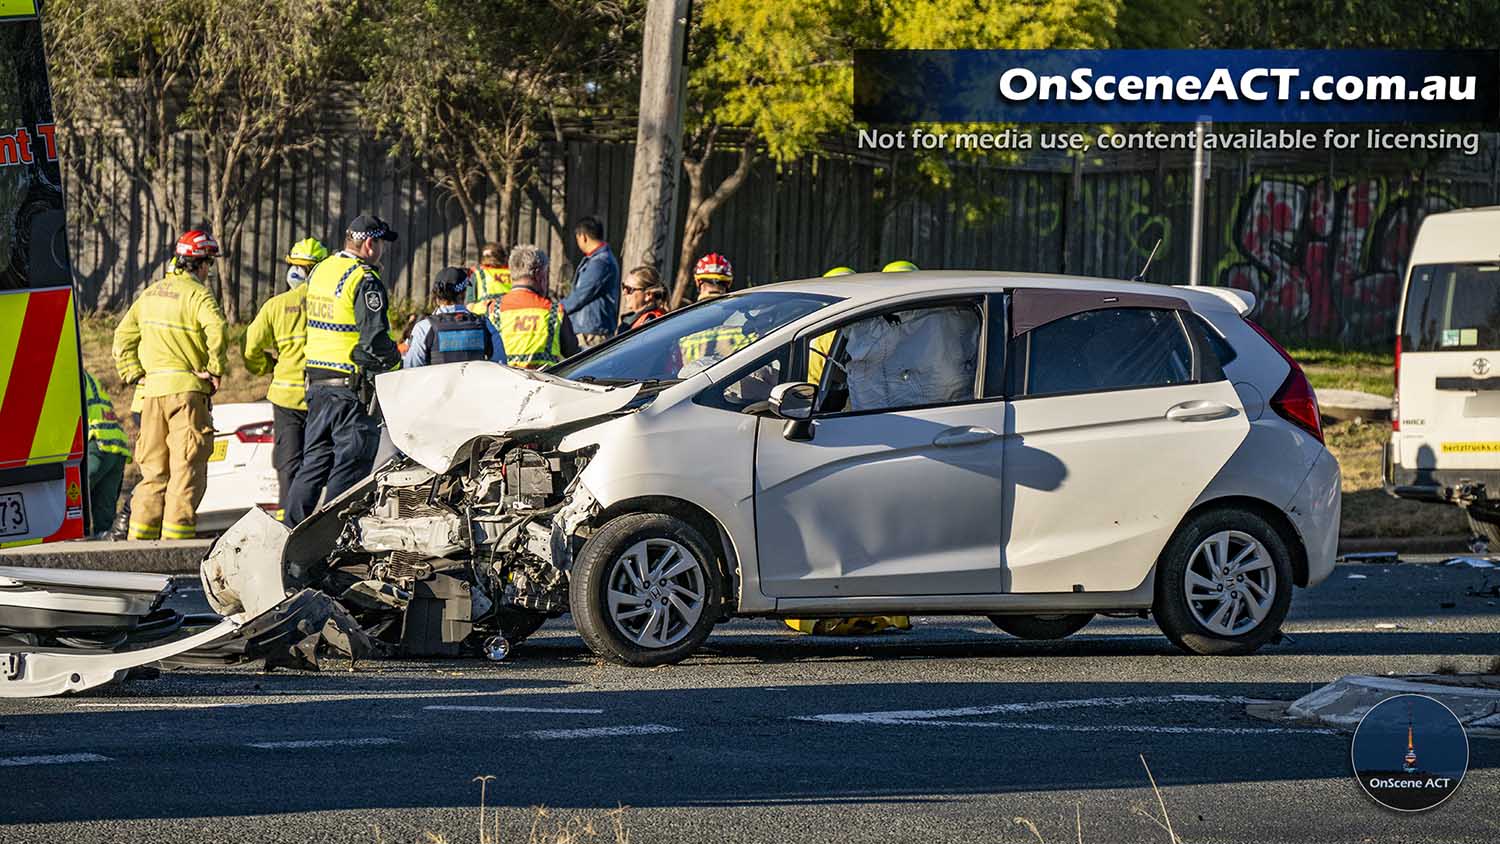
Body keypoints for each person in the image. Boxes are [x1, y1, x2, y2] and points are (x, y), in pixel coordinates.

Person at [284, 215, 402, 526]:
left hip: (318, 386)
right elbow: (374, 340)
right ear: (369, 244)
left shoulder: (323, 270)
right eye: (380, 244)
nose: (381, 252)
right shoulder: (364, 279)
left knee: (313, 465)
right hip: (350, 390)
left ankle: (287, 533)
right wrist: (397, 365)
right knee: (351, 467)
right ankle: (327, 541)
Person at [112, 229, 228, 540]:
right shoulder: (198, 295)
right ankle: (174, 546)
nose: (209, 271)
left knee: (152, 472)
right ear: (201, 264)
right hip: (187, 393)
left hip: (151, 394)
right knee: (186, 469)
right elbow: (216, 328)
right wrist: (216, 368)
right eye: (209, 265)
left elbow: (122, 337)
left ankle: (139, 544)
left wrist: (133, 372)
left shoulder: (150, 293)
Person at [243, 237, 326, 518]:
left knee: (288, 465)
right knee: (318, 463)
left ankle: (286, 524)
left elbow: (250, 347)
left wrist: (266, 366)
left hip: (286, 398)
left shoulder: (276, 306)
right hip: (323, 396)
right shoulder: (330, 304)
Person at [495, 245, 579, 369]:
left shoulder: (493, 310)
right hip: (544, 385)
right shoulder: (554, 312)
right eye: (546, 274)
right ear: (538, 275)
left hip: (503, 384)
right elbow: (573, 354)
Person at [405, 267, 507, 368]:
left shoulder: (424, 328)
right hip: (475, 383)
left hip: (437, 384)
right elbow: (501, 365)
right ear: (464, 293)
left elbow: (410, 371)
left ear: (436, 295)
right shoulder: (485, 325)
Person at [675, 253, 751, 371]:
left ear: (698, 282)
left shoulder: (681, 320)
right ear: (728, 282)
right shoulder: (746, 318)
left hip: (689, 385)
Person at [82, 370, 131, 539]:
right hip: (115, 446)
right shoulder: (89, 377)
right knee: (104, 523)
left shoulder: (69, 374)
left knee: (73, 499)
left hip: (96, 443)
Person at [561, 216, 619, 348]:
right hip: (590, 330)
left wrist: (556, 309)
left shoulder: (600, 262)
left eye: (577, 238)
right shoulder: (600, 260)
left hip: (592, 334)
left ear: (583, 237)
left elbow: (580, 295)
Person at [617, 265, 668, 332]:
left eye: (629, 289)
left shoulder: (652, 323)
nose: (624, 293)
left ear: (648, 295)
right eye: (623, 287)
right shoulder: (632, 320)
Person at [466, 242, 511, 315]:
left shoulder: (478, 273)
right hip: (508, 316)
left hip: (485, 318)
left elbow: (469, 305)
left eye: (488, 256)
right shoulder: (514, 273)